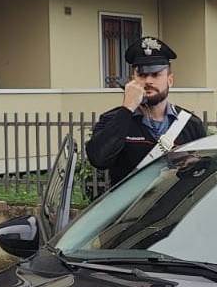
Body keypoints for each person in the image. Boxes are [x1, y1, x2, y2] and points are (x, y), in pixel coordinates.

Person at [86, 36, 207, 187]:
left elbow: (203, 178)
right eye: (142, 75)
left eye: (156, 75)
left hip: (176, 209)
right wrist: (127, 109)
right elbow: (99, 160)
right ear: (133, 79)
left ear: (170, 80)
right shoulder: (113, 119)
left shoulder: (190, 124)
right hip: (132, 209)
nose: (148, 81)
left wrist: (194, 166)